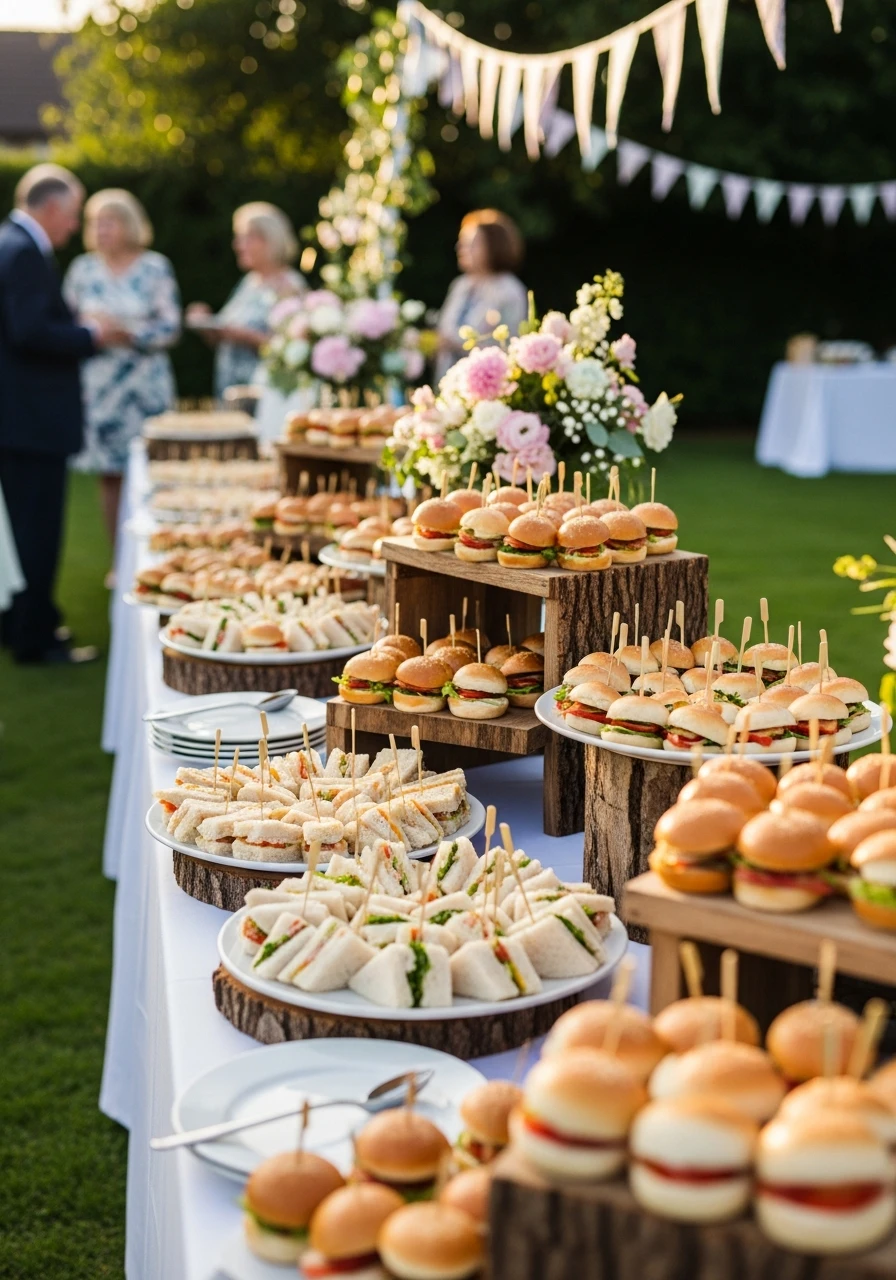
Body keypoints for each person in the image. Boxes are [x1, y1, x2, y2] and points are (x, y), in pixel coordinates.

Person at [0, 164, 125, 665]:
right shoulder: (24, 252)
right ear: (50, 208)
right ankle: (36, 639)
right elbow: (29, 332)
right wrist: (92, 335)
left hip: (18, 420)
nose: (75, 227)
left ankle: (22, 624)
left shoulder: (11, 243)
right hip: (31, 422)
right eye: (72, 216)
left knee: (18, 531)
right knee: (36, 532)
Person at [64, 189, 181, 551]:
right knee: (110, 476)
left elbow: (171, 327)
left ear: (128, 225)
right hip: (101, 389)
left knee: (153, 472)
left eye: (108, 222)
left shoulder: (154, 267)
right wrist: (90, 331)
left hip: (145, 385)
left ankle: (158, 550)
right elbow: (63, 323)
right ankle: (120, 559)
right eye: (94, 223)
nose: (100, 230)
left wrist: (130, 334)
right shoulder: (82, 269)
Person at [186, 202, 304, 401]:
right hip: (232, 391)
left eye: (247, 237)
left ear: (270, 240)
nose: (238, 245)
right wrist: (207, 324)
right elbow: (226, 332)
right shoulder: (249, 283)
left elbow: (295, 351)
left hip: (265, 394)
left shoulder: (289, 286)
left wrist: (247, 337)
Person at [435, 209, 529, 382]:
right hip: (449, 383)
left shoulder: (509, 290)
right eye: (461, 243)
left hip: (489, 384)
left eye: (471, 243)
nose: (461, 248)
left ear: (493, 246)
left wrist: (451, 341)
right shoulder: (460, 285)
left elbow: (508, 345)